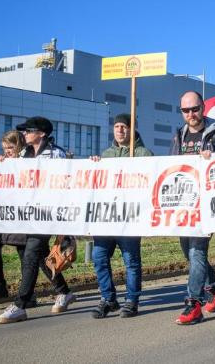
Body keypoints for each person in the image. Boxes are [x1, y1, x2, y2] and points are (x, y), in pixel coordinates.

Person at [0, 116, 76, 324]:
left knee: (31, 253)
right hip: (31, 213)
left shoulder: (56, 155)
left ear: (41, 133)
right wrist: (4, 165)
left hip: (49, 214)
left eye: (28, 130)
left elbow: (67, 185)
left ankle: (20, 305)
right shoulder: (23, 155)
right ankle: (64, 291)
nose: (24, 134)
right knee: (40, 255)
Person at [170, 91, 215, 325]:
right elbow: (172, 167)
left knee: (197, 252)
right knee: (189, 253)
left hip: (206, 207)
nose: (191, 114)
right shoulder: (179, 135)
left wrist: (214, 157)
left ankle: (193, 303)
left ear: (203, 107)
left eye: (194, 109)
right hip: (184, 207)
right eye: (185, 111)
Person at [87, 114, 152, 318]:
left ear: (132, 129)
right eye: (117, 126)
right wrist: (95, 165)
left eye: (124, 126)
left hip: (130, 218)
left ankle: (132, 300)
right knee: (99, 258)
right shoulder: (106, 154)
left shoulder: (143, 154)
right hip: (107, 217)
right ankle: (108, 298)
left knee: (131, 261)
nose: (120, 130)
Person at [0, 130, 45, 306]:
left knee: (24, 253)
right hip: (4, 214)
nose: (7, 151)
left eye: (10, 147)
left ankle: (28, 294)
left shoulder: (29, 161)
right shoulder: (4, 163)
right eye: (5, 148)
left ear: (20, 145)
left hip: (22, 215)